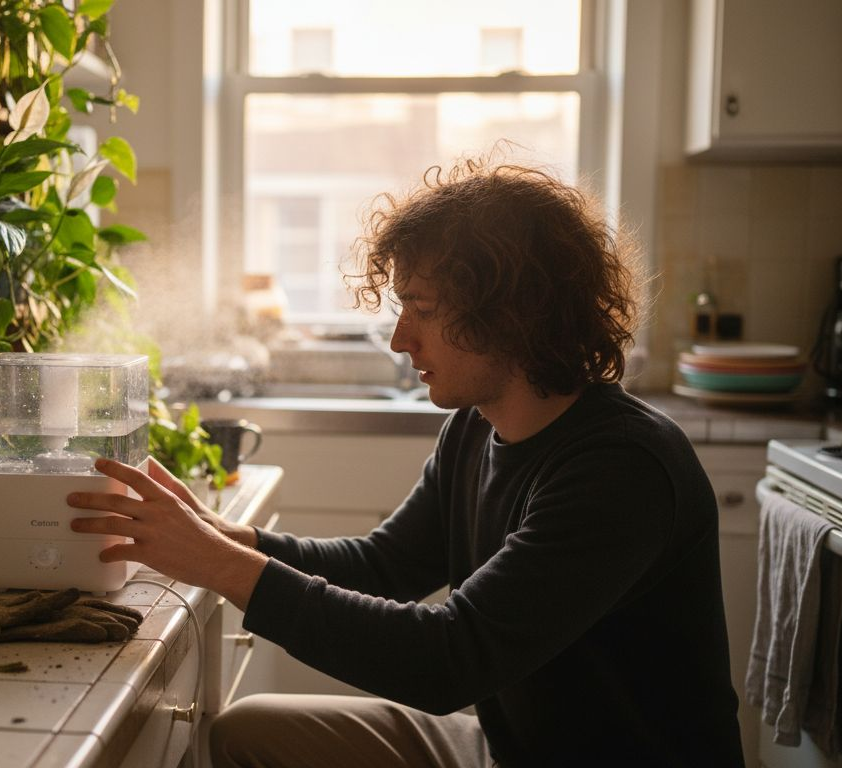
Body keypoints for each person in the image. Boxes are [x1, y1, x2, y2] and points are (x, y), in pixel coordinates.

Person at [67, 160, 745, 767]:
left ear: (511, 314)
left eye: (420, 309)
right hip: (510, 749)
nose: (399, 338)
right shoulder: (474, 432)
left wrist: (219, 566)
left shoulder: (621, 469)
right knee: (244, 733)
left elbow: (448, 660)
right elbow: (384, 565)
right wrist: (221, 536)